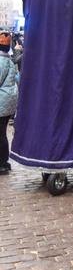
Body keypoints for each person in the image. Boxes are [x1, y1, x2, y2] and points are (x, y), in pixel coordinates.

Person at [0, 33, 18, 175]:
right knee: (2, 133)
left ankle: (2, 164)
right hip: (7, 102)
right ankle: (4, 162)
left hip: (2, 102)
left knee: (0, 134)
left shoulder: (1, 61)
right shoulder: (8, 60)